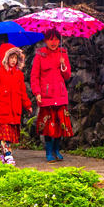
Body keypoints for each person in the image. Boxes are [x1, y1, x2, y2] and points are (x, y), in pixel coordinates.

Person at [30, 30, 75, 162]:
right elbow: (34, 76)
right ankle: (49, 152)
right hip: (46, 96)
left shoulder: (63, 54)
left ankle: (57, 150)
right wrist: (37, 92)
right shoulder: (40, 55)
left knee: (60, 124)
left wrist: (63, 65)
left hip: (60, 95)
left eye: (56, 39)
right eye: (50, 39)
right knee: (48, 126)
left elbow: (67, 76)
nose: (54, 42)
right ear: (45, 40)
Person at [0, 43, 31, 163]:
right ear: (5, 58)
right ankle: (8, 154)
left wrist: (27, 105)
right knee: (4, 134)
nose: (14, 60)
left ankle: (2, 156)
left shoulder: (19, 75)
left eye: (15, 58)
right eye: (11, 58)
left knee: (9, 135)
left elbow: (22, 92)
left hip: (14, 110)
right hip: (2, 110)